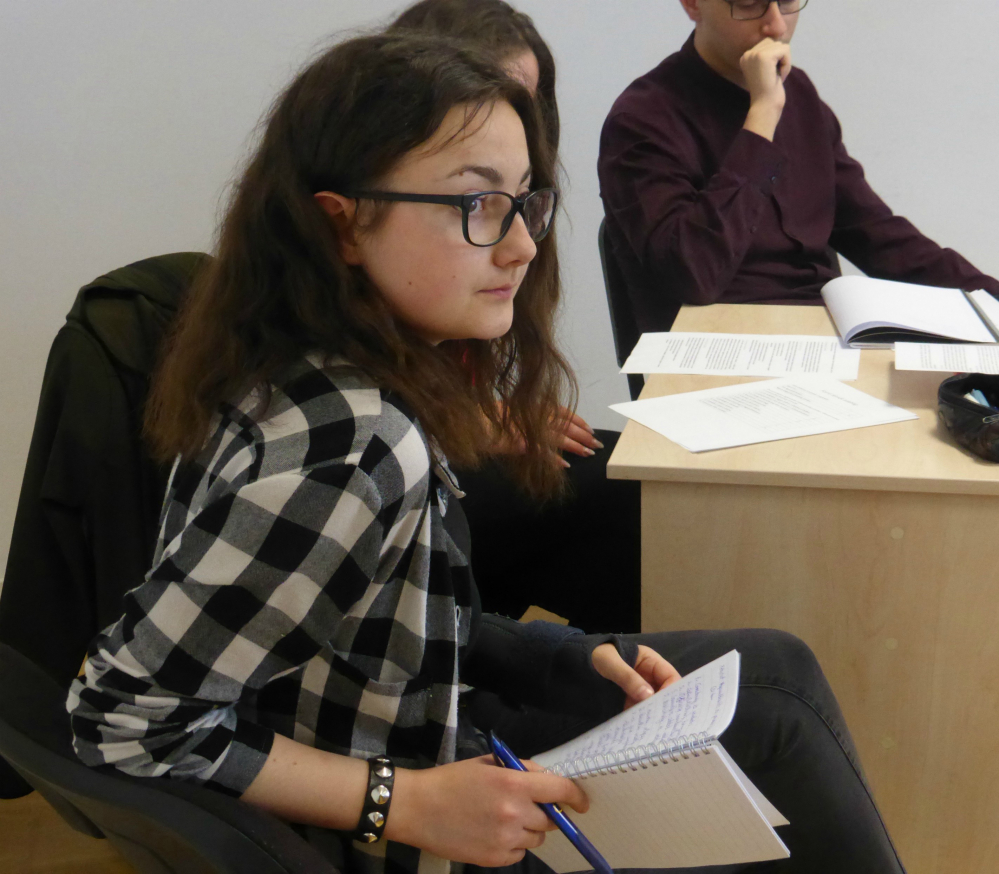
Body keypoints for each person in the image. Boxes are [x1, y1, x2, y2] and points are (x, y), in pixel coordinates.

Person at [67, 31, 905, 874]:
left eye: (521, 202)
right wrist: (405, 802)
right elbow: (119, 717)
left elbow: (391, 627)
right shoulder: (353, 447)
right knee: (773, 710)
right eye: (474, 204)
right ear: (341, 224)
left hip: (414, 724)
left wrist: (566, 656)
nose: (521, 246)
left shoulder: (310, 362)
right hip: (398, 816)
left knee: (775, 673)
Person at [391, 0, 641, 634]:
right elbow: (377, 401)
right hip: (412, 471)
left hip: (440, 445)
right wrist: (475, 423)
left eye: (528, 101)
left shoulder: (516, 210)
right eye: (491, 93)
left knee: (629, 474)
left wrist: (486, 414)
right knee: (624, 494)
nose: (515, 120)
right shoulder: (405, 225)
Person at [598, 0, 999, 334]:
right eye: (749, 4)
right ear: (692, 4)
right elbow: (693, 276)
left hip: (821, 340)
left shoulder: (800, 95)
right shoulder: (642, 118)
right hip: (710, 350)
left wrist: (989, 299)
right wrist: (762, 117)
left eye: (788, 1)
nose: (776, 25)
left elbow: (880, 237)